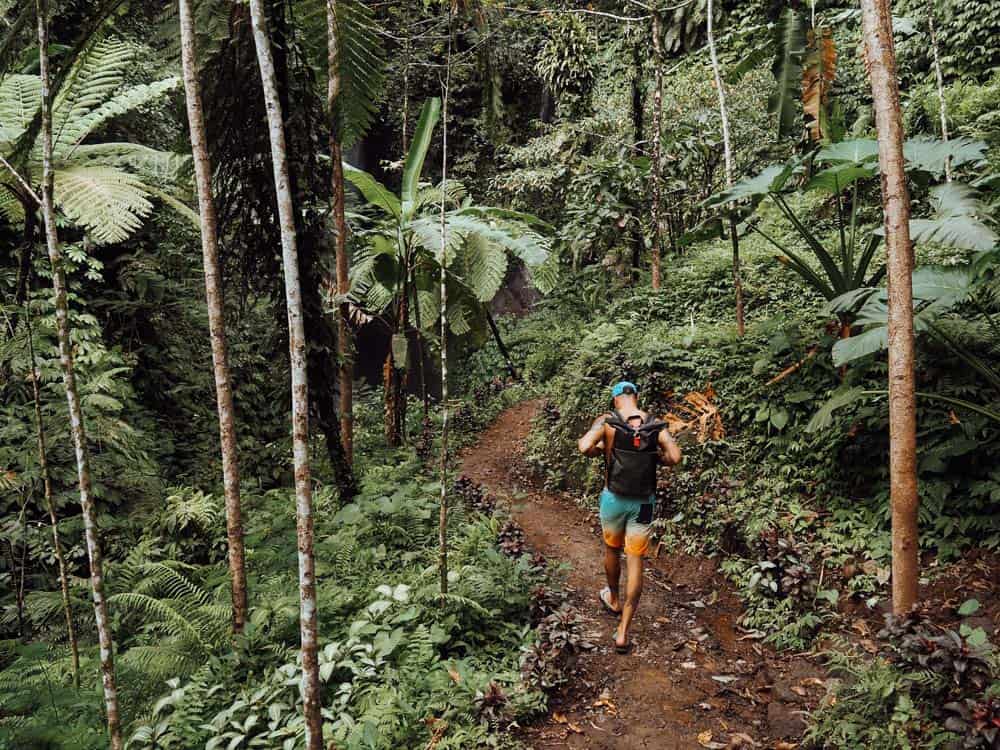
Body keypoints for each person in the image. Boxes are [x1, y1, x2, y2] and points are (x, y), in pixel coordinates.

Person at [577, 381, 681, 653]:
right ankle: (623, 632)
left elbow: (585, 446)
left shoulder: (607, 421)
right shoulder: (655, 424)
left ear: (615, 400)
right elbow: (675, 456)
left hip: (613, 499)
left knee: (612, 549)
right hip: (644, 503)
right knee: (635, 559)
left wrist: (602, 451)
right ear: (636, 397)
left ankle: (613, 598)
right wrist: (655, 458)